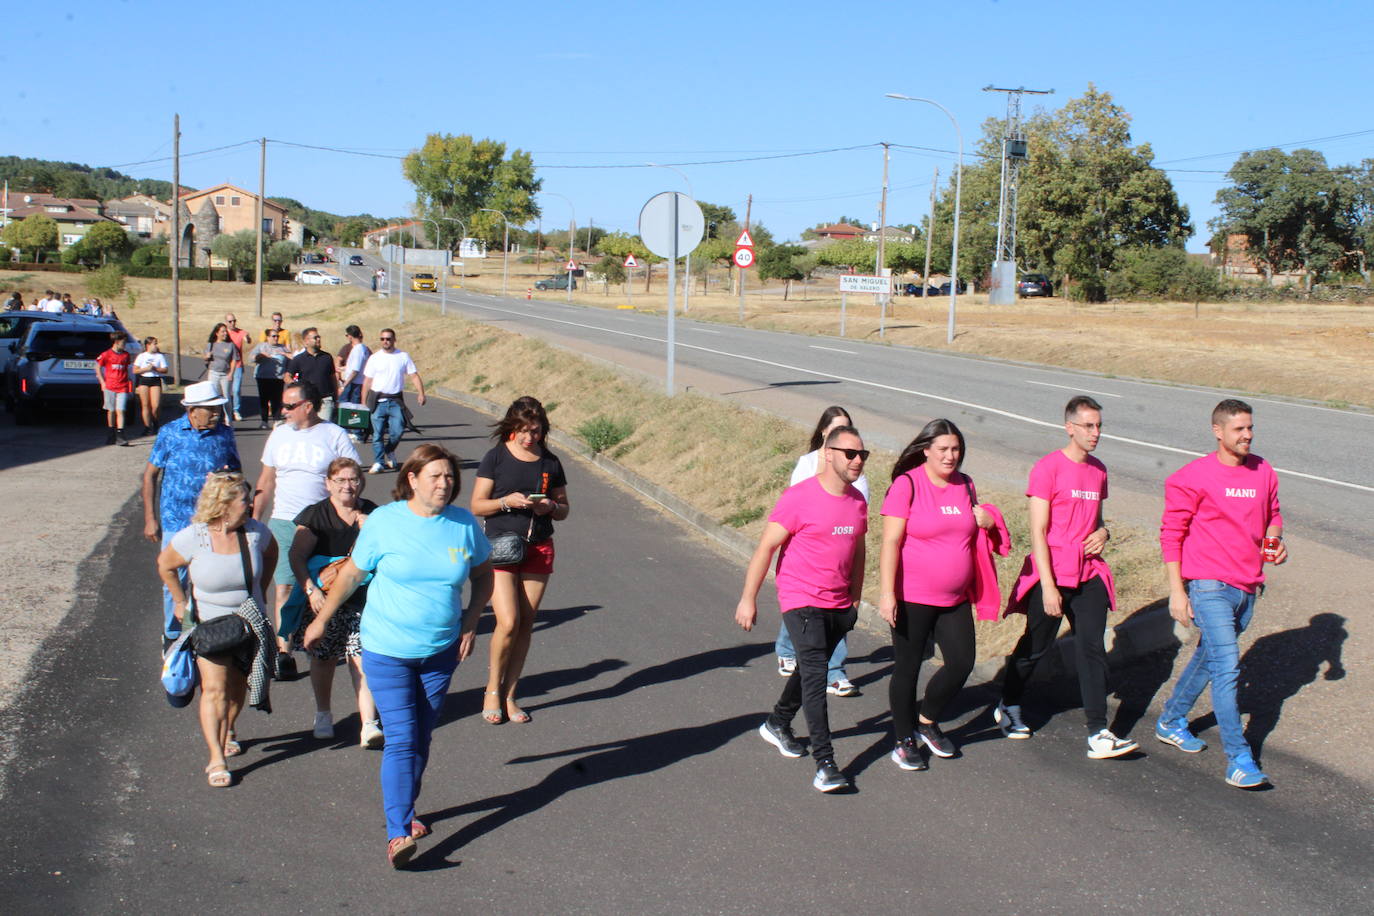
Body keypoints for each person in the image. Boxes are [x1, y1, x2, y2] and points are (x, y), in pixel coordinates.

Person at [305, 444, 493, 868]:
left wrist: (471, 620)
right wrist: (321, 620)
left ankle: (406, 809)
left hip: (440, 651)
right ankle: (398, 832)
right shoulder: (386, 522)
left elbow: (483, 576)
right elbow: (353, 572)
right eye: (435, 477)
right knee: (403, 738)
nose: (445, 484)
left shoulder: (463, 525)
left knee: (422, 737)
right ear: (412, 478)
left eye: (449, 477)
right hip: (386, 648)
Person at [994, 396, 1138, 758]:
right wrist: (1047, 586)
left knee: (1091, 649)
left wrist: (1103, 534)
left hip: (1089, 573)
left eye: (1099, 425)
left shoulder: (1099, 470)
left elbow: (1097, 520)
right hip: (1053, 572)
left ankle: (1098, 732)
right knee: (1036, 646)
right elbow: (1037, 531)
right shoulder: (1047, 469)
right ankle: (1008, 703)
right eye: (1088, 426)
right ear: (1069, 427)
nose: (1096, 433)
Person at [1156, 399, 1286, 789]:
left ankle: (1171, 719)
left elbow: (1273, 517)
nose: (1246, 435)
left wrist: (1275, 544)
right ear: (1218, 431)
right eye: (1238, 430)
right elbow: (1171, 536)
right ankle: (1239, 759)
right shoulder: (1192, 477)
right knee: (1228, 668)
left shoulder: (1263, 470)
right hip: (1209, 585)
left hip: (1247, 586)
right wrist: (1177, 593)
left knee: (1211, 658)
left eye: (1250, 429)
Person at [735, 425, 868, 793]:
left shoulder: (858, 500)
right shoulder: (799, 497)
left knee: (815, 667)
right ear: (828, 454)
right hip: (801, 599)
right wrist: (749, 598)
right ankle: (826, 764)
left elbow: (858, 551)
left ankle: (777, 723)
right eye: (850, 454)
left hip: (839, 602)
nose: (857, 461)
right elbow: (765, 548)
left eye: (862, 455)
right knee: (816, 676)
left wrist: (855, 598)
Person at [879, 418, 993, 768]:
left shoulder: (966, 485)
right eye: (943, 449)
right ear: (925, 450)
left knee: (961, 662)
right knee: (908, 668)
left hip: (955, 598)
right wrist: (887, 593)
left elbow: (974, 529)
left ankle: (927, 722)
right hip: (912, 596)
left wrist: (987, 521)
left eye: (956, 449)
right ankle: (903, 739)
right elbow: (891, 542)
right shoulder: (907, 484)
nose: (950, 455)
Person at [156, 471, 277, 788]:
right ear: (223, 504)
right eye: (243, 500)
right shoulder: (193, 537)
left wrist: (261, 589)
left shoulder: (255, 533)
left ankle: (228, 731)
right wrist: (180, 601)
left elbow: (272, 553)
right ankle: (216, 758)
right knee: (214, 689)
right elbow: (165, 565)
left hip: (247, 624)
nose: (249, 505)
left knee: (237, 690)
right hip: (208, 625)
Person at [470, 397, 570, 725]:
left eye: (536, 431)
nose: (530, 437)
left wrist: (551, 508)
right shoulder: (496, 457)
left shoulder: (551, 462)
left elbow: (565, 508)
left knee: (526, 622)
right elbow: (476, 505)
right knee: (509, 621)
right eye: (523, 430)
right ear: (512, 427)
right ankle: (491, 691)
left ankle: (511, 695)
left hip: (538, 548)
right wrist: (504, 501)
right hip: (500, 547)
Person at [254, 382, 360, 681]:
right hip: (285, 520)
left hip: (325, 522)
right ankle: (284, 651)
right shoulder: (279, 434)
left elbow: (352, 476)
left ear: (308, 406)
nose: (283, 411)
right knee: (285, 586)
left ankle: (331, 637)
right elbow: (266, 479)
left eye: (289, 406)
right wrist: (254, 520)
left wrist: (354, 513)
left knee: (331, 582)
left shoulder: (333, 435)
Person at [775, 405, 868, 697]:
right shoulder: (807, 463)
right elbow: (795, 504)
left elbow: (859, 505)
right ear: (825, 432)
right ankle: (788, 650)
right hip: (808, 556)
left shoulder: (854, 468)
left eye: (847, 427)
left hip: (840, 553)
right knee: (805, 613)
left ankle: (834, 671)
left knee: (830, 613)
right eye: (835, 428)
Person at [289, 457, 382, 747]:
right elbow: (296, 557)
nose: (347, 485)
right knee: (324, 659)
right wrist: (310, 591)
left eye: (353, 479)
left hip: (362, 599)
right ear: (328, 484)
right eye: (340, 480)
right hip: (323, 600)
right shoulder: (315, 515)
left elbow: (388, 552)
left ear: (361, 482)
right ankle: (323, 713)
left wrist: (371, 530)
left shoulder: (374, 513)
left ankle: (369, 723)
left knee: (362, 660)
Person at [143, 381, 242, 645]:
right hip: (176, 519)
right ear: (192, 410)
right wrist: (150, 519)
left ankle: (205, 633)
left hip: (211, 522)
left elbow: (236, 473)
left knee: (207, 581)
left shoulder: (224, 434)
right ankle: (173, 635)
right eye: (210, 410)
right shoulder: (170, 433)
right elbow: (150, 475)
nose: (216, 414)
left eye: (218, 409)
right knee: (174, 580)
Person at [359, 328, 426, 474]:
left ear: (394, 340)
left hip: (395, 401)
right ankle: (379, 462)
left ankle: (389, 450)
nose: (385, 341)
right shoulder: (375, 358)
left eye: (388, 339)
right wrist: (363, 401)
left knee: (398, 430)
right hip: (377, 401)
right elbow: (367, 381)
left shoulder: (402, 356)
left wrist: (421, 393)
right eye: (382, 339)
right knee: (377, 434)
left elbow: (413, 375)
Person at [284, 327, 338, 422]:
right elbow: (287, 376)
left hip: (325, 400)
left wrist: (336, 398)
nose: (318, 339)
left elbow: (333, 378)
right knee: (307, 426)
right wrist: (296, 386)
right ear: (306, 341)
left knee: (323, 428)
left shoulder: (327, 357)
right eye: (315, 337)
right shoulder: (299, 359)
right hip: (307, 401)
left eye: (319, 337)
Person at [94, 331, 133, 446]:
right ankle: (111, 432)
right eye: (123, 342)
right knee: (111, 410)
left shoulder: (126, 355)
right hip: (110, 386)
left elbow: (127, 370)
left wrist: (130, 382)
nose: (124, 345)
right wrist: (102, 382)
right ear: (116, 342)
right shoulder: (106, 354)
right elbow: (97, 367)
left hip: (122, 386)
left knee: (120, 410)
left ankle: (120, 434)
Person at [249, 330, 289, 428]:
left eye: (277, 336)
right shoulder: (261, 346)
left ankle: (277, 419)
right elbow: (251, 358)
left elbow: (289, 361)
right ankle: (264, 421)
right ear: (268, 337)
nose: (276, 338)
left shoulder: (283, 348)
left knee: (277, 399)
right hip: (263, 377)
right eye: (273, 336)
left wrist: (287, 374)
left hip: (278, 378)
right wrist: (260, 356)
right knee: (264, 399)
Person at [132, 336, 170, 436]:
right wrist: (145, 369)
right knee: (145, 405)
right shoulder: (142, 356)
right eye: (154, 343)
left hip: (155, 380)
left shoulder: (159, 356)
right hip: (144, 379)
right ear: (148, 345)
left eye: (156, 343)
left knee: (156, 405)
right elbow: (135, 370)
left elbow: (165, 369)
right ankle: (147, 426)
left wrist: (155, 368)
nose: (156, 346)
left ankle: (156, 422)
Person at [204, 322, 240, 423]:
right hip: (214, 372)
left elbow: (234, 360)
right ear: (217, 333)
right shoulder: (211, 345)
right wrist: (207, 357)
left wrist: (231, 373)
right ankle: (214, 420)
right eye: (222, 332)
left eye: (226, 331)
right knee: (213, 396)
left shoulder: (230, 345)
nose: (225, 333)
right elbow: (205, 359)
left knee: (226, 397)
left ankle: (228, 420)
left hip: (225, 374)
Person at [223, 312, 249, 421]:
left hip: (237, 365)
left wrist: (247, 338)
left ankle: (236, 410)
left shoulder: (240, 332)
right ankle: (225, 412)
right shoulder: (223, 333)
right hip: (225, 366)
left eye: (234, 321)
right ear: (226, 322)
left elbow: (247, 339)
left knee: (236, 389)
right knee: (225, 390)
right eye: (230, 321)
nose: (232, 323)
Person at [337, 324, 369, 406]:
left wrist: (343, 386)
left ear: (350, 336)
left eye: (347, 335)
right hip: (355, 384)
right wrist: (342, 369)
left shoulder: (358, 349)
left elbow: (355, 371)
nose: (347, 337)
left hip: (353, 385)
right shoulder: (362, 348)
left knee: (348, 410)